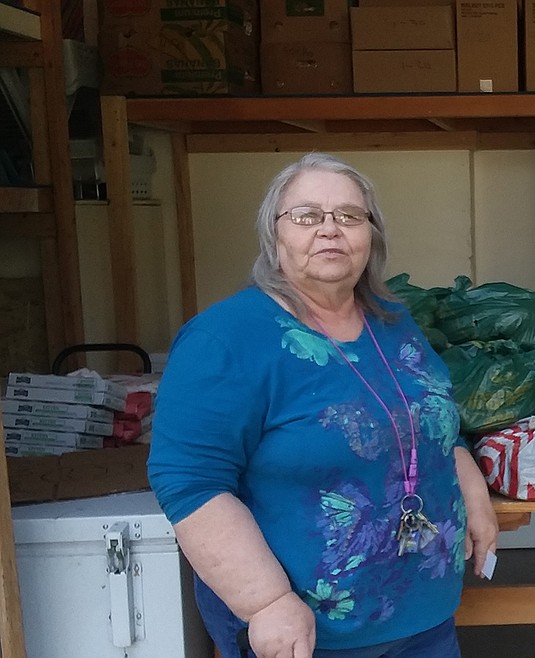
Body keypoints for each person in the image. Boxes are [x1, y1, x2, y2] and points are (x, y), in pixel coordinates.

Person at [148, 153, 498, 658]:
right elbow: (190, 481)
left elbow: (430, 420)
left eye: (350, 216)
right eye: (307, 216)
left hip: (425, 616)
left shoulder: (393, 320)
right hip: (305, 632)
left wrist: (473, 490)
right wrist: (265, 602)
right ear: (275, 234)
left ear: (370, 235)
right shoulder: (225, 339)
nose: (329, 230)